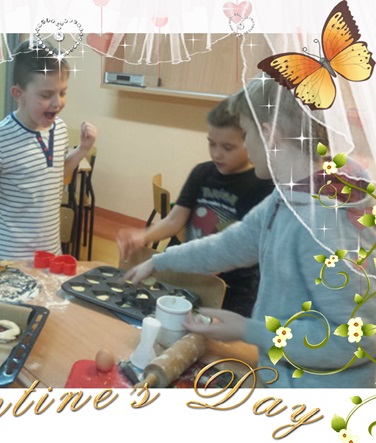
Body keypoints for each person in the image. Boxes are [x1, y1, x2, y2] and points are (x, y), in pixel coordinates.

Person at [125, 78, 376, 388]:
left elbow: (356, 340)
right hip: (284, 375)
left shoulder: (325, 224)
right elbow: (231, 244)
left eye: (245, 133)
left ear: (269, 135)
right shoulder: (288, 195)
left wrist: (249, 330)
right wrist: (160, 261)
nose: (245, 145)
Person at [117, 100, 273, 317]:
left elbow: (246, 246)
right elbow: (174, 221)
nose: (217, 154)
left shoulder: (262, 186)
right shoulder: (202, 173)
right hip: (191, 274)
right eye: (211, 144)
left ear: (250, 141)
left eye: (227, 148)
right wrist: (143, 236)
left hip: (232, 289)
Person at [0, 40, 97, 260]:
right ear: (18, 94)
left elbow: (57, 174)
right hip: (5, 257)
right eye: (46, 95)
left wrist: (82, 149)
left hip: (48, 255)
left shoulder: (59, 129)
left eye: (62, 92)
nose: (57, 103)